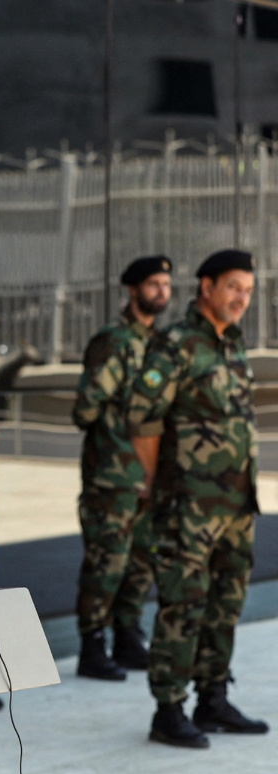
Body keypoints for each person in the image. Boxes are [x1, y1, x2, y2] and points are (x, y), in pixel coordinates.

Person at [126, 249, 270, 748]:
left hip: (236, 505)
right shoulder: (176, 344)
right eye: (234, 287)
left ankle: (213, 698)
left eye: (248, 290)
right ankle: (169, 710)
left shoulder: (232, 343)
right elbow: (142, 419)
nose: (242, 298)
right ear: (206, 287)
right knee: (183, 605)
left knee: (225, 604)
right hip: (188, 506)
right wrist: (157, 481)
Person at [72, 256, 172, 682]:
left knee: (141, 560)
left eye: (166, 284)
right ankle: (93, 645)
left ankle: (128, 636)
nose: (162, 291)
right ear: (133, 290)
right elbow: (85, 409)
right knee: (106, 561)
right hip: (112, 475)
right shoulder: (113, 341)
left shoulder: (162, 344)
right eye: (153, 284)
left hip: (150, 474)